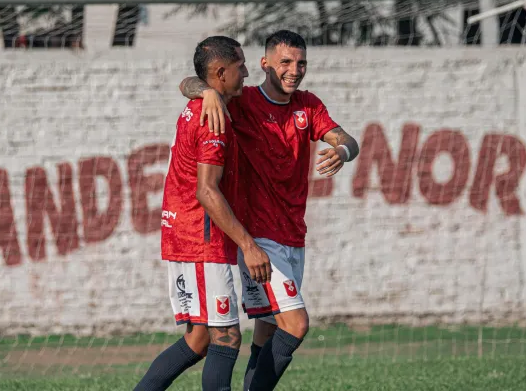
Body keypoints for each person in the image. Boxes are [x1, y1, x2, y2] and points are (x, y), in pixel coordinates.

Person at [179, 30, 360, 391]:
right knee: (296, 324)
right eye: (286, 63)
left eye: (301, 62)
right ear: (265, 65)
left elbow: (348, 140)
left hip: (294, 234)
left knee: (268, 329)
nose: (295, 70)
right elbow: (189, 83)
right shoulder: (243, 100)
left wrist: (341, 151)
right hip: (261, 238)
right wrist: (208, 92)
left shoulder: (308, 105)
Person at [133, 35, 272, 391]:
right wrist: (248, 244)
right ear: (221, 72)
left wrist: (205, 90)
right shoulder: (213, 119)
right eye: (240, 66)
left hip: (186, 234)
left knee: (199, 339)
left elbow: (188, 82)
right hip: (200, 239)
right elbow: (207, 190)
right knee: (225, 336)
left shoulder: (206, 101)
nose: (246, 71)